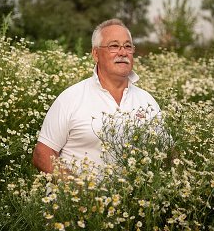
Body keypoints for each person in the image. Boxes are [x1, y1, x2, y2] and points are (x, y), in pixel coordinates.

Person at [32, 18, 162, 174]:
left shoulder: (147, 101)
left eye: (128, 46)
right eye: (114, 46)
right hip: (79, 196)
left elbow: (166, 152)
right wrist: (76, 188)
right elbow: (42, 154)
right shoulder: (71, 97)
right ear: (95, 54)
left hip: (133, 198)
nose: (123, 52)